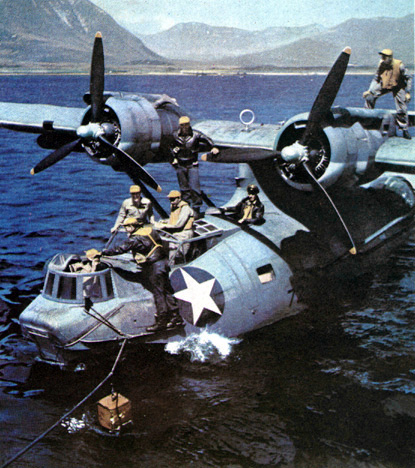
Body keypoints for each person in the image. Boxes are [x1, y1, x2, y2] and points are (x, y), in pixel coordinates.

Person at [102, 217, 183, 332]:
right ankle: (176, 318)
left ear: (131, 227)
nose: (126, 230)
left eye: (126, 227)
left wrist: (103, 252)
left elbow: (121, 249)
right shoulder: (150, 230)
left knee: (158, 293)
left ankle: (162, 322)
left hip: (154, 267)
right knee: (166, 290)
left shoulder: (135, 238)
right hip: (163, 263)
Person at [170, 116, 220, 216]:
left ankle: (196, 208)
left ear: (189, 125)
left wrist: (214, 147)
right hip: (180, 165)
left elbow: (208, 140)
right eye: (182, 125)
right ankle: (186, 209)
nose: (184, 127)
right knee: (184, 189)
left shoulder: (196, 135)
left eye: (186, 124)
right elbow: (170, 146)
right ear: (180, 126)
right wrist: (173, 157)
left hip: (192, 165)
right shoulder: (175, 135)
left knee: (195, 188)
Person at [363, 49, 412, 140]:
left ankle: (404, 129)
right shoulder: (381, 64)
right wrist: (370, 90)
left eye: (384, 57)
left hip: (398, 86)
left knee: (402, 107)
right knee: (369, 97)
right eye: (382, 56)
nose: (382, 58)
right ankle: (368, 121)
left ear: (389, 58)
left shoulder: (400, 65)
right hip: (385, 85)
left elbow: (409, 78)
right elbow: (376, 79)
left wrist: (407, 93)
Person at [154, 190, 195, 261]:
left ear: (179, 198)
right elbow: (173, 219)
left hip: (183, 234)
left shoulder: (185, 208)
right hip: (174, 232)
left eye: (173, 199)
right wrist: (165, 221)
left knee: (176, 254)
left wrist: (164, 226)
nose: (171, 201)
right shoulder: (174, 206)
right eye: (170, 199)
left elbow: (179, 224)